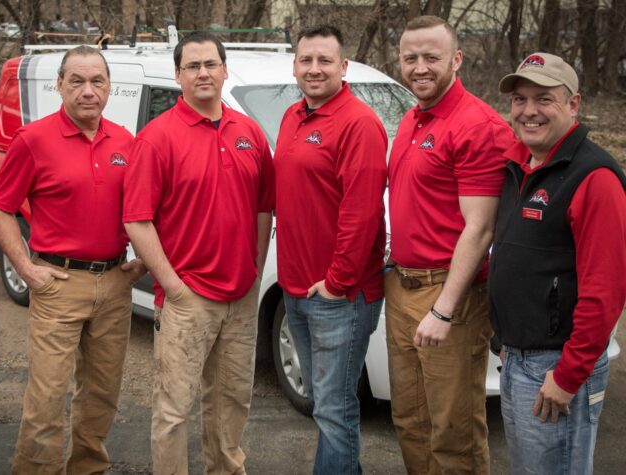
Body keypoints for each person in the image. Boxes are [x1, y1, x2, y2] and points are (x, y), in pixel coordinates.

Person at [123, 31, 274, 475]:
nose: (203, 73)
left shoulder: (248, 132)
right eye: (193, 66)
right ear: (178, 75)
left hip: (241, 297)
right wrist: (173, 285)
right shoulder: (157, 138)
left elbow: (265, 206)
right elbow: (137, 219)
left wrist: (255, 268)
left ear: (225, 70)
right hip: (189, 298)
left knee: (232, 402)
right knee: (173, 410)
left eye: (211, 64)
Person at [0, 45, 144, 474]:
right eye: (77, 81)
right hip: (57, 284)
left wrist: (144, 262)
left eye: (97, 81)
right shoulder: (33, 140)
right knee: (47, 398)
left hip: (114, 283)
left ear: (110, 86)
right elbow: (0, 206)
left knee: (101, 396)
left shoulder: (125, 142)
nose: (88, 91)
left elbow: (144, 210)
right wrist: (25, 268)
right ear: (59, 85)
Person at [385, 16, 515, 473]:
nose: (420, 67)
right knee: (410, 420)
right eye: (410, 58)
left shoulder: (477, 125)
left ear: (456, 59)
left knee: (453, 433)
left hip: (449, 299)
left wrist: (443, 309)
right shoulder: (412, 117)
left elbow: (480, 229)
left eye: (431, 58)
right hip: (401, 287)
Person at [491, 52, 626, 475]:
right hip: (515, 359)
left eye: (543, 99)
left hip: (555, 365)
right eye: (519, 99)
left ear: (573, 104)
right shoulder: (519, 164)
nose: (528, 111)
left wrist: (568, 376)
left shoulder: (594, 178)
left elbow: (604, 294)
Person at [273, 25, 388, 474]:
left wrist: (338, 283)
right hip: (298, 290)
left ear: (343, 67)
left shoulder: (359, 123)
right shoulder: (292, 117)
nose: (314, 69)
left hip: (339, 296)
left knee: (335, 407)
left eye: (325, 61)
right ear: (295, 66)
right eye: (306, 60)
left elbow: (361, 215)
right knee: (324, 401)